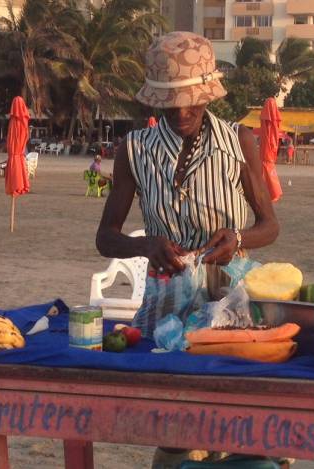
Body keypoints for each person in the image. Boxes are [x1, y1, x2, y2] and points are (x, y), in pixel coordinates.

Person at [94, 32, 279, 469]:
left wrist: (238, 239)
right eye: (169, 102)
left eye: (191, 100)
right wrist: (146, 245)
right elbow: (105, 237)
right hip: (168, 305)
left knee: (240, 420)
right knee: (175, 423)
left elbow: (270, 226)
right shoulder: (135, 150)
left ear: (208, 94)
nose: (181, 111)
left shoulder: (239, 142)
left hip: (233, 303)